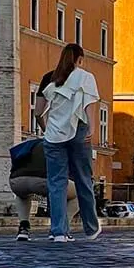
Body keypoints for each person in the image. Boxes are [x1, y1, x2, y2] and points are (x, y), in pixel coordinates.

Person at [33, 43, 101, 243]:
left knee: (56, 184)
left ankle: (58, 231)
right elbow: (89, 105)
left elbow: (38, 112)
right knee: (83, 179)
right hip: (79, 131)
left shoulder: (50, 78)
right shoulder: (86, 77)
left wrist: (45, 128)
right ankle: (91, 228)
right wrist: (92, 129)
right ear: (79, 59)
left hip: (54, 134)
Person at [10, 137, 77, 242]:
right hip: (44, 181)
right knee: (79, 194)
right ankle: (61, 228)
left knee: (22, 195)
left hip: (17, 181)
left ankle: (23, 228)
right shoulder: (61, 146)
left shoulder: (31, 144)